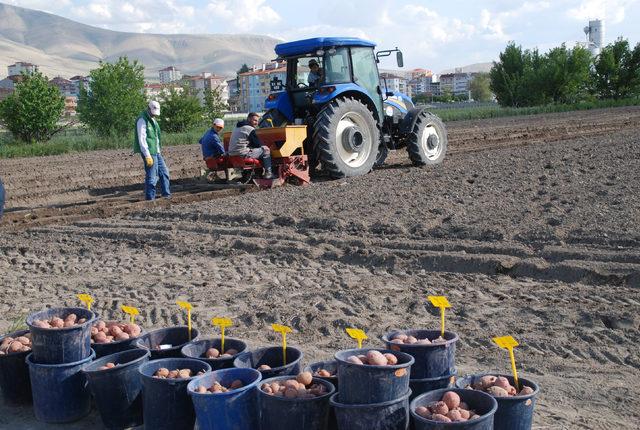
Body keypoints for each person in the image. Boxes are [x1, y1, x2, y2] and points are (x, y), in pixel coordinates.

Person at [134, 100, 171, 200]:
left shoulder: (153, 120)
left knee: (164, 173)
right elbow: (142, 139)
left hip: (156, 152)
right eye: (153, 113)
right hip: (149, 152)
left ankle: (166, 195)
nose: (154, 115)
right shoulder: (142, 120)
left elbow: (156, 138)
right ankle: (150, 199)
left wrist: (159, 150)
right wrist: (147, 155)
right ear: (148, 109)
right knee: (152, 177)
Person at [228, 112, 274, 179]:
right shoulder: (250, 129)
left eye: (257, 121)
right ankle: (268, 173)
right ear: (249, 119)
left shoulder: (237, 127)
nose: (256, 123)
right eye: (255, 120)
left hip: (232, 154)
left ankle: (256, 173)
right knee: (266, 150)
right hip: (242, 154)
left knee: (254, 150)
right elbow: (257, 144)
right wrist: (265, 145)